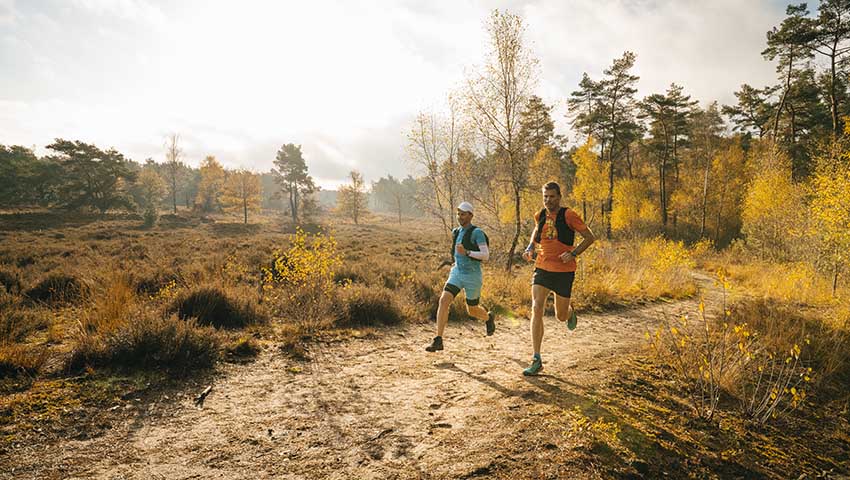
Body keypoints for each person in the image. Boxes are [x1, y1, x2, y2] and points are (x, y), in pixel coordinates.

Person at [520, 182, 596, 375]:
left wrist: (574, 253)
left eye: (552, 196)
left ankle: (570, 312)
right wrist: (530, 247)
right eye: (545, 197)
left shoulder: (569, 215)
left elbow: (589, 237)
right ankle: (536, 358)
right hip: (543, 267)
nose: (548, 200)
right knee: (536, 307)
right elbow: (536, 232)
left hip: (564, 271)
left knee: (560, 316)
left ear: (559, 197)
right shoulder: (540, 215)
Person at [425, 201, 496, 352]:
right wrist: (455, 262)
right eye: (458, 214)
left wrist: (468, 253)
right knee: (444, 300)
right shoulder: (456, 232)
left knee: (472, 310)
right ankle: (438, 339)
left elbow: (486, 255)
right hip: (457, 272)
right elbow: (456, 251)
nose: (460, 217)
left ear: (471, 215)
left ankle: (489, 318)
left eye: (463, 214)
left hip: (472, 276)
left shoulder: (477, 233)